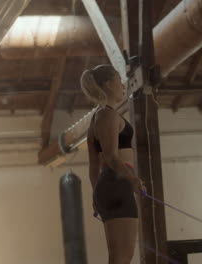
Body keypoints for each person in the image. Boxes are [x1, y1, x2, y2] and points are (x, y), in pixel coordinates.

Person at [80, 64, 146, 264]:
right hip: (117, 184)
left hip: (108, 185)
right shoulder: (107, 115)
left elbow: (93, 165)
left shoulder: (97, 118)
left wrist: (95, 194)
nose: (122, 85)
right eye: (118, 79)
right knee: (122, 258)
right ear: (108, 85)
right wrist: (133, 180)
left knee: (118, 256)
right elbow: (110, 156)